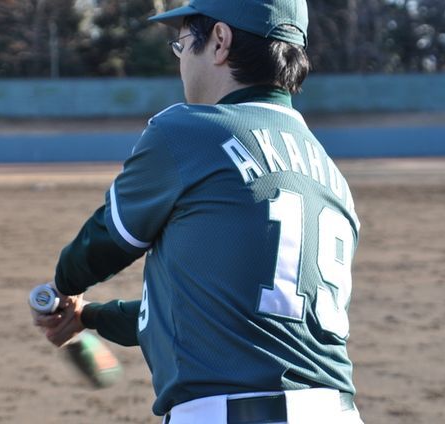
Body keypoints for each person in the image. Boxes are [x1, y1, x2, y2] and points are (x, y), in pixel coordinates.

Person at [33, 1, 364, 423]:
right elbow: (217, 316)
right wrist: (91, 317)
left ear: (220, 41)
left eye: (183, 43)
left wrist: (62, 286)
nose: (181, 60)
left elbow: (106, 243)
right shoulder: (330, 175)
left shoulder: (189, 131)